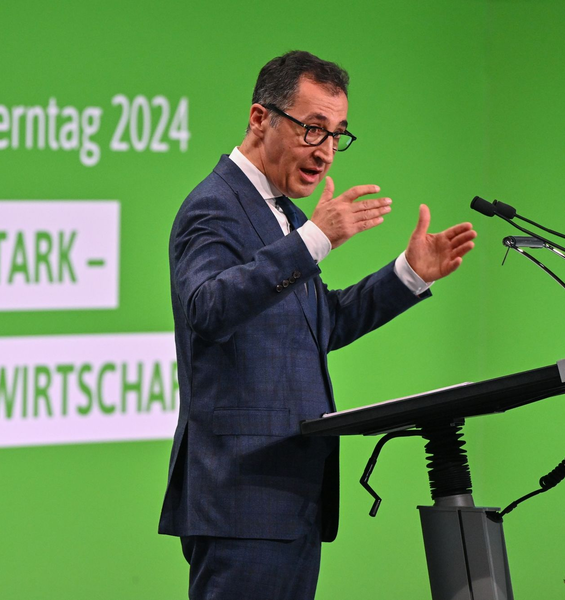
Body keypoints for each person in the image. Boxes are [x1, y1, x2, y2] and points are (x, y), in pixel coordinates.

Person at [158, 50, 477, 600]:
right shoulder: (214, 206)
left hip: (292, 496)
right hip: (243, 498)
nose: (326, 150)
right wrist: (313, 241)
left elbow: (318, 325)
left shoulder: (283, 212)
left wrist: (408, 274)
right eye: (313, 129)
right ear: (260, 118)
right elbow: (207, 309)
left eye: (337, 134)